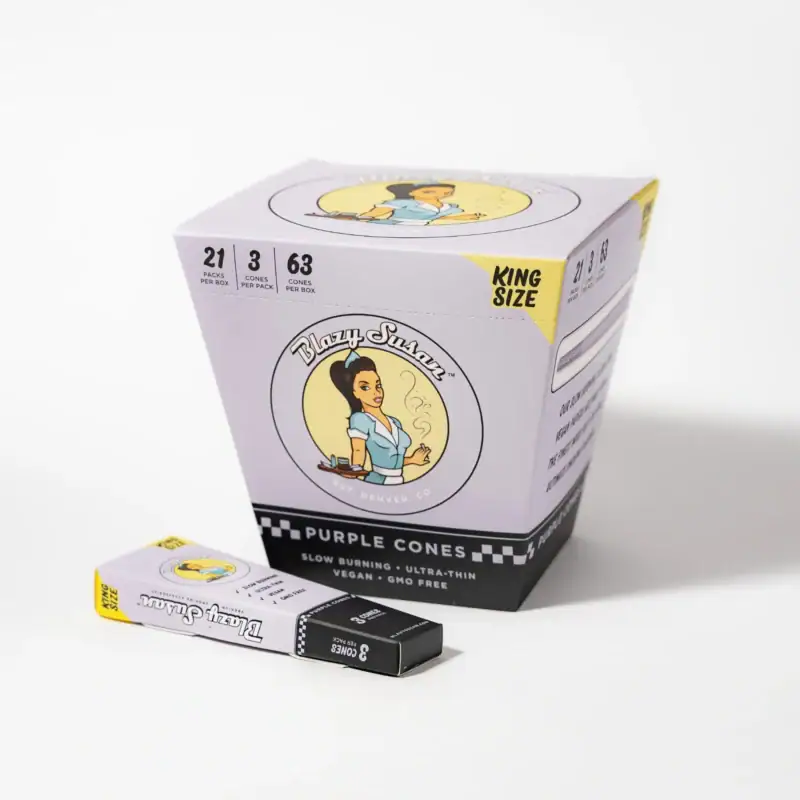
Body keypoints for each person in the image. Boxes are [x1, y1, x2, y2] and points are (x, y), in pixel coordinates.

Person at [329, 350, 431, 485]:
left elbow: (392, 461)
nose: (376, 392)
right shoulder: (360, 419)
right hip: (378, 481)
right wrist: (352, 472)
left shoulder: (395, 422)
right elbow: (358, 452)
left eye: (378, 385)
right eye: (365, 387)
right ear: (354, 393)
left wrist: (413, 459)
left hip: (399, 481)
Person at [356, 183, 484, 225]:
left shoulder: (449, 206)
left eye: (446, 193)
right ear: (411, 192)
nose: (438, 195)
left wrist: (465, 217)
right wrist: (363, 218)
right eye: (429, 192)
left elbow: (439, 218)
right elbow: (378, 212)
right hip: (396, 226)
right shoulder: (402, 202)